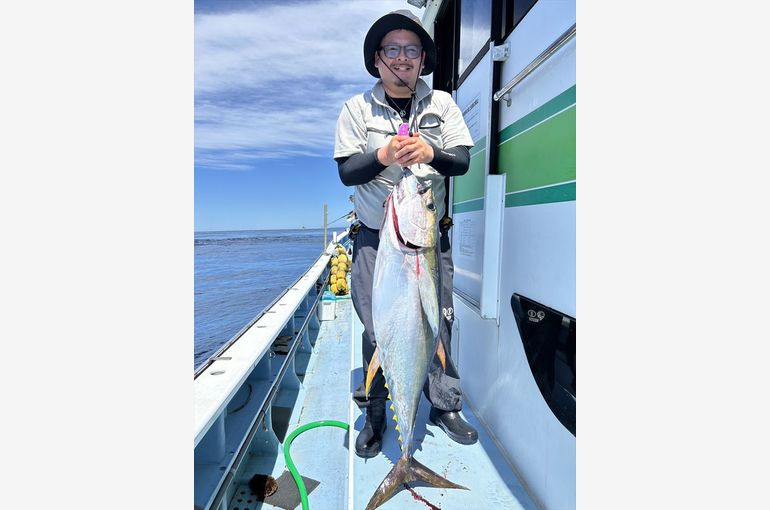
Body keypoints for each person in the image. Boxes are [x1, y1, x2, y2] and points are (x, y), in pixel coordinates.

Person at [334, 9, 478, 458]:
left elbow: (462, 161)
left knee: (438, 322)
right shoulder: (356, 110)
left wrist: (432, 151)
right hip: (378, 240)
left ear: (422, 59)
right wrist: (383, 153)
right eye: (391, 49)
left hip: (427, 241)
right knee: (378, 330)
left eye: (410, 49)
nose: (401, 58)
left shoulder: (443, 106)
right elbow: (347, 172)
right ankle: (377, 414)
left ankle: (444, 403)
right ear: (377, 59)